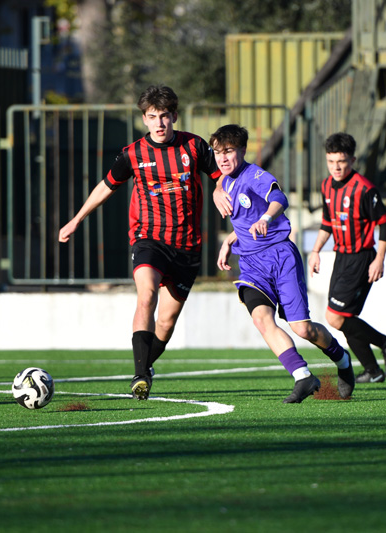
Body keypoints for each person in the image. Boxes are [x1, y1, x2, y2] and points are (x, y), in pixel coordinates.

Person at [58, 85, 222, 400]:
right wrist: (77, 219)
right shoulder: (133, 153)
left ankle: (146, 365)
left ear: (174, 116)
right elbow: (106, 186)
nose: (159, 123)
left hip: (187, 245)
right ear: (144, 119)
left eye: (164, 116)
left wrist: (218, 189)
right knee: (146, 296)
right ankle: (140, 374)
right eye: (152, 116)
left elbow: (220, 176)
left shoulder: (194, 146)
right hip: (148, 238)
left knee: (166, 322)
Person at [211, 124, 355, 403]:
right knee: (261, 319)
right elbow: (243, 215)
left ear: (243, 150)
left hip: (280, 256)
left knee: (302, 329)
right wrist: (229, 239)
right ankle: (303, 376)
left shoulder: (255, 175)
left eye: (228, 151)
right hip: (251, 264)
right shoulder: (225, 181)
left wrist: (266, 218)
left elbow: (279, 198)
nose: (222, 158)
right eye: (218, 152)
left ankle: (342, 359)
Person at [307, 133, 386, 384]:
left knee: (335, 317)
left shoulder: (364, 189)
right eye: (331, 161)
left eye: (341, 161)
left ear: (352, 160)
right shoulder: (327, 186)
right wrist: (315, 251)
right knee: (344, 317)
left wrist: (379, 259)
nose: (336, 167)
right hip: (341, 258)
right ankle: (373, 370)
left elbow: (385, 224)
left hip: (361, 258)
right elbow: (327, 223)